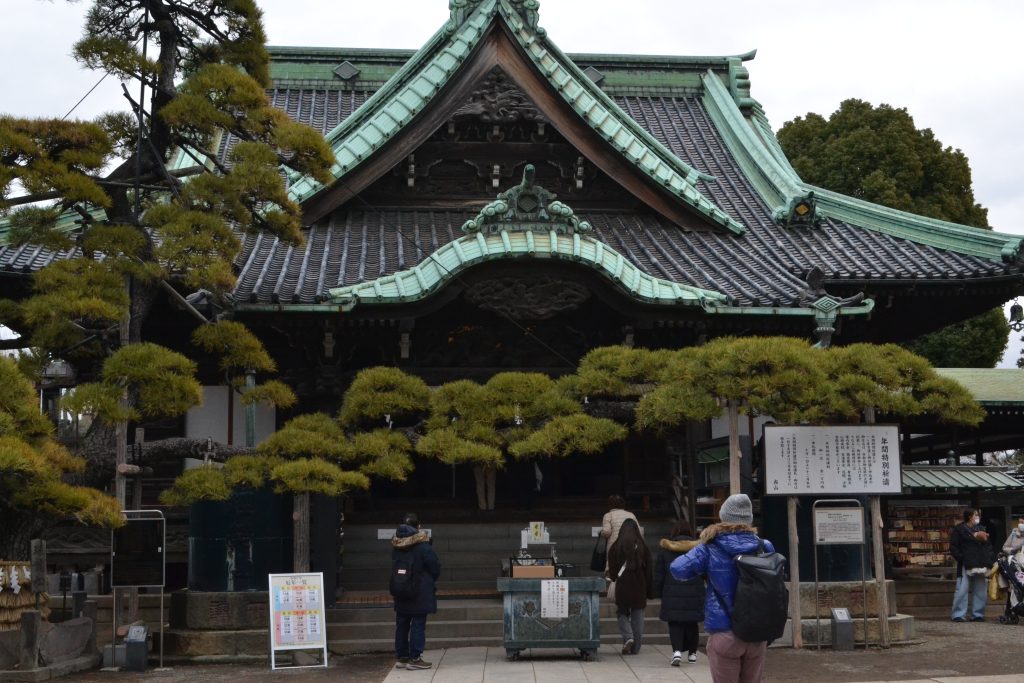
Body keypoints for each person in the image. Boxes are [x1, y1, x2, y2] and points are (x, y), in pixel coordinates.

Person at [670, 493, 773, 683]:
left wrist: (703, 568)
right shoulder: (763, 546)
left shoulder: (710, 547)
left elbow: (678, 569)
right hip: (757, 633)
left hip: (725, 630)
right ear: (749, 519)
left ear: (724, 517)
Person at [391, 512, 441, 670]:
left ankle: (402, 657)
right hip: (420, 590)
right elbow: (434, 567)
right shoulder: (423, 546)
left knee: (402, 623)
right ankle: (415, 658)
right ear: (418, 526)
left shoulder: (396, 545)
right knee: (418, 623)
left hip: (400, 587)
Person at [654, 519, 705, 666]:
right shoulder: (699, 550)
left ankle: (676, 651)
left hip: (672, 592)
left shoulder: (665, 551)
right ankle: (692, 654)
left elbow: (659, 575)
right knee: (692, 623)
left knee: (675, 623)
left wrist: (658, 592)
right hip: (694, 591)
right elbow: (704, 572)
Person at [607, 517, 654, 654]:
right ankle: (636, 647)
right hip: (639, 586)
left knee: (622, 612)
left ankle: (628, 637)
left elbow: (612, 571)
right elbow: (649, 570)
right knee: (638, 616)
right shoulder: (643, 547)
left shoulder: (615, 547)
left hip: (622, 585)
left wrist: (614, 578)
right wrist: (650, 590)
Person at [949, 507, 993, 622]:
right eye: (976, 515)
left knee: (981, 590)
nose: (978, 517)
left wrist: (988, 558)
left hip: (981, 563)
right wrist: (962, 558)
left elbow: (988, 545)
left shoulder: (981, 528)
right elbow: (953, 546)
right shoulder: (959, 529)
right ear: (970, 516)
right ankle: (958, 614)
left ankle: (977, 614)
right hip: (965, 563)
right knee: (962, 589)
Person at [600, 494, 638, 562]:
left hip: (614, 547)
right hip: (630, 546)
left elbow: (606, 532)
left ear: (610, 505)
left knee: (614, 565)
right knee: (628, 565)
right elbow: (639, 531)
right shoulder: (631, 515)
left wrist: (601, 532)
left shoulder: (608, 515)